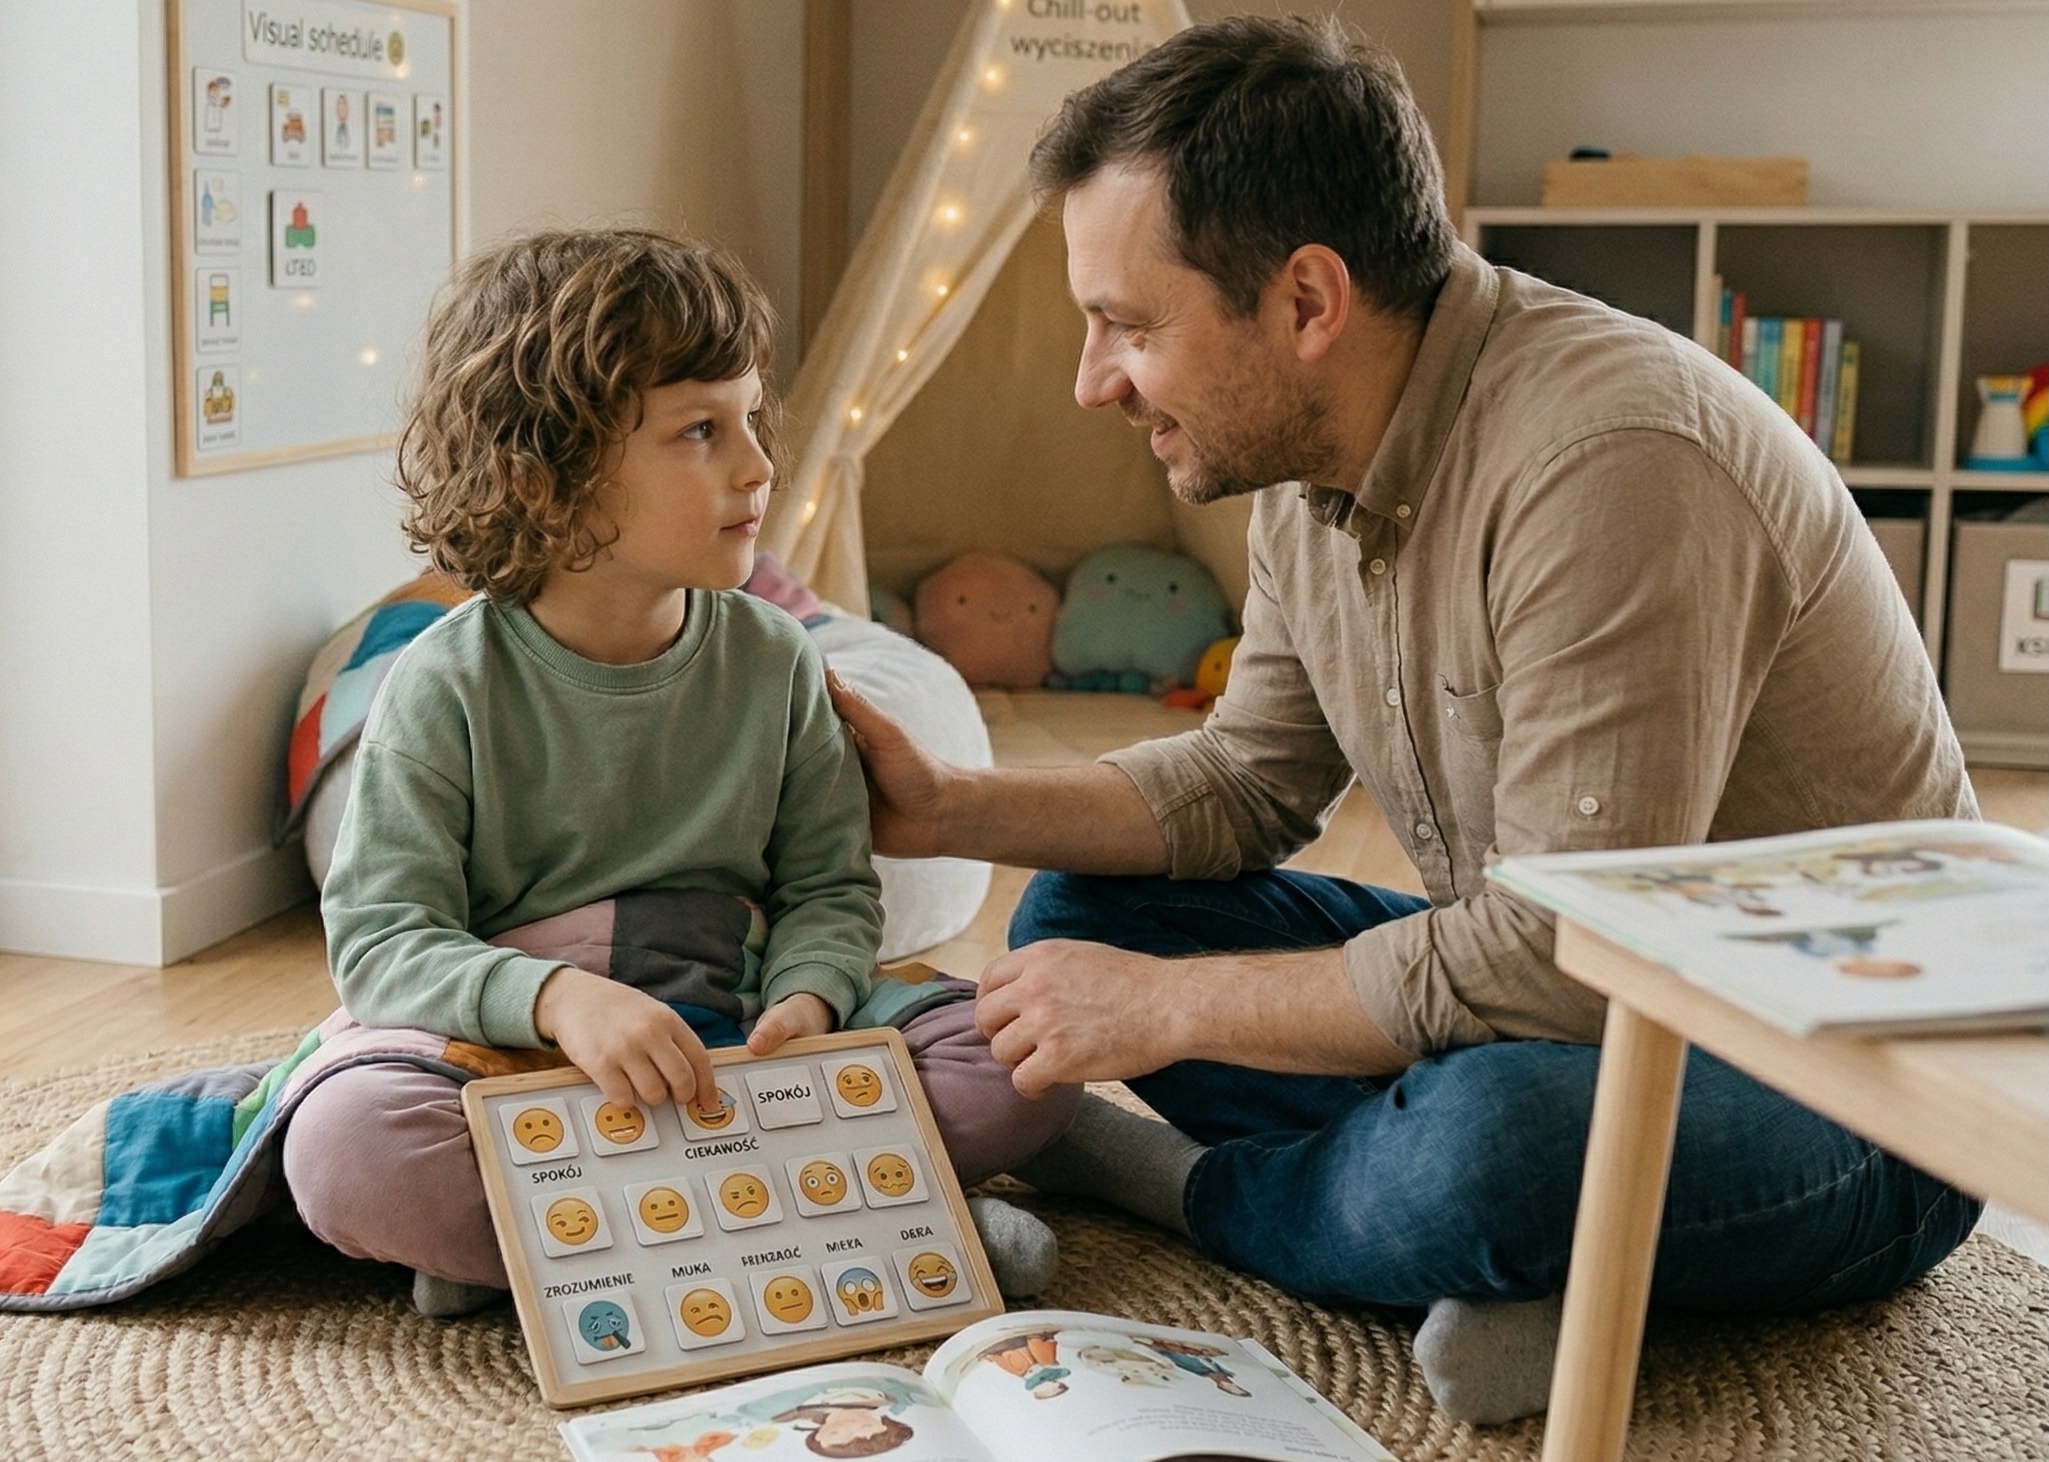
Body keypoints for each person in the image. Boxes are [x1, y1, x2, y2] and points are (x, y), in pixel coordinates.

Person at [826, 17, 1980, 1425]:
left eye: (1130, 325)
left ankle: (1199, 1190)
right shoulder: (1306, 452)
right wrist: (948, 805)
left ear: (1307, 300)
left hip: (1827, 1091)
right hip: (1550, 1006)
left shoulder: (1612, 463)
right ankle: (1481, 1250)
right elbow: (1246, 782)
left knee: (1485, 1149)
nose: (1093, 380)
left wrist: (1173, 1009)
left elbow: (1569, 962)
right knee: (1082, 917)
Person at [284, 229, 1076, 1317]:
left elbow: (828, 892)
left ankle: (557, 1238)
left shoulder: (776, 660)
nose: (757, 464)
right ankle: (853, 1214)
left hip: (738, 1037)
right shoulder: (441, 685)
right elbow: (381, 944)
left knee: (1026, 1048)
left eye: (751, 418)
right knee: (348, 1153)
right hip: (516, 1055)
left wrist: (807, 995)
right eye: (700, 429)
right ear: (544, 473)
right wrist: (561, 1000)